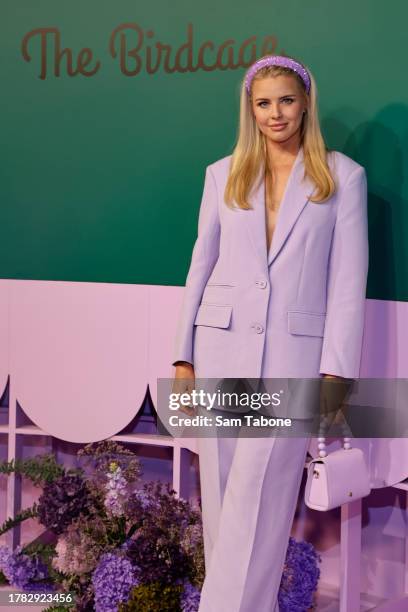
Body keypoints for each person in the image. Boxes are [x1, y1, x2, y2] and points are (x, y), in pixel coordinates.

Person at [171, 54, 369, 612]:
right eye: (263, 103)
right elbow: (200, 266)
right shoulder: (223, 172)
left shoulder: (342, 176)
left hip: (292, 358)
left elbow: (347, 282)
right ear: (250, 110)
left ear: (306, 101)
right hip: (220, 349)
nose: (275, 113)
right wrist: (182, 356)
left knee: (261, 497)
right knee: (226, 501)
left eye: (286, 100)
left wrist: (336, 372)